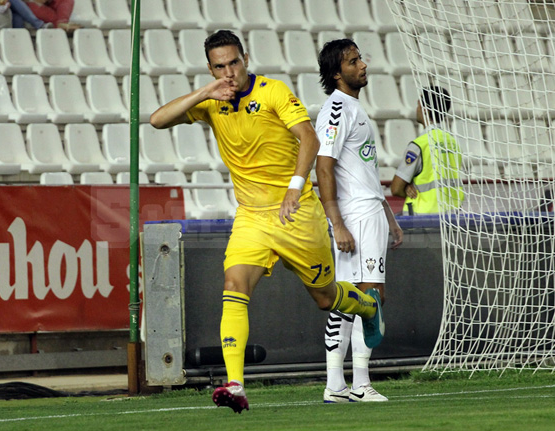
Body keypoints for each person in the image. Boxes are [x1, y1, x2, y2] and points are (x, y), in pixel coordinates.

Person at [150, 29, 385, 414]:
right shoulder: (212, 102)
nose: (229, 72)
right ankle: (236, 385)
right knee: (233, 284)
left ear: (246, 58)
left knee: (325, 297)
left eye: (234, 63)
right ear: (210, 68)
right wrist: (204, 93)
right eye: (220, 67)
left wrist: (294, 187)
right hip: (252, 217)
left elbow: (308, 138)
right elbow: (158, 120)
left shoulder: (273, 92)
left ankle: (369, 307)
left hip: (296, 213)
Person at [315, 39, 404, 404]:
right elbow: (323, 166)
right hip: (355, 215)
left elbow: (364, 170)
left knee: (350, 300)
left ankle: (336, 385)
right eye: (354, 61)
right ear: (337, 73)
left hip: (369, 210)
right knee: (369, 297)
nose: (363, 65)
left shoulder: (354, 108)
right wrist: (336, 222)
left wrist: (389, 217)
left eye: (361, 58)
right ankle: (360, 384)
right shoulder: (336, 109)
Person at [390, 86, 464, 213]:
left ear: (424, 109)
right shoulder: (453, 142)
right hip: (452, 215)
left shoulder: (419, 145)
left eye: (418, 104)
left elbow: (396, 189)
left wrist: (407, 188)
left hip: (423, 217)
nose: (417, 109)